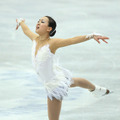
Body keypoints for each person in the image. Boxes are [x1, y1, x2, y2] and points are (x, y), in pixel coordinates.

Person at [16, 16, 110, 120]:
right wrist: (21, 22)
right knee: (75, 81)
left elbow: (72, 40)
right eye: (38, 21)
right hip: (55, 76)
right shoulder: (35, 39)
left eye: (42, 22)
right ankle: (97, 89)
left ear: (49, 29)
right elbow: (26, 30)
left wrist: (91, 35)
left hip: (54, 86)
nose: (38, 23)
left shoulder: (52, 43)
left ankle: (97, 89)